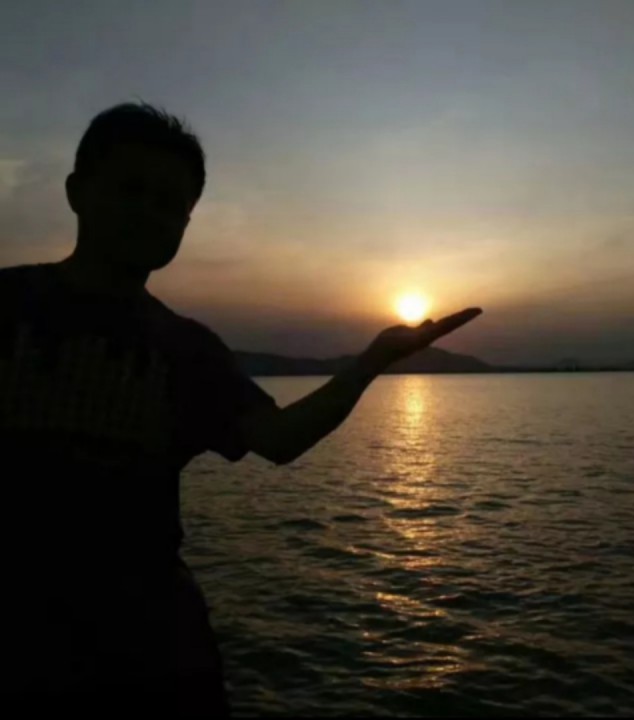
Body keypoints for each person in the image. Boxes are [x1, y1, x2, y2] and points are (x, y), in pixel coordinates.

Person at [0, 102, 481, 716]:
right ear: (77, 192)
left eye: (169, 204)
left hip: (151, 648)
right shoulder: (8, 305)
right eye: (130, 190)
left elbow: (278, 438)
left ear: (185, 223)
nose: (147, 212)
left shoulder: (188, 349)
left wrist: (373, 361)